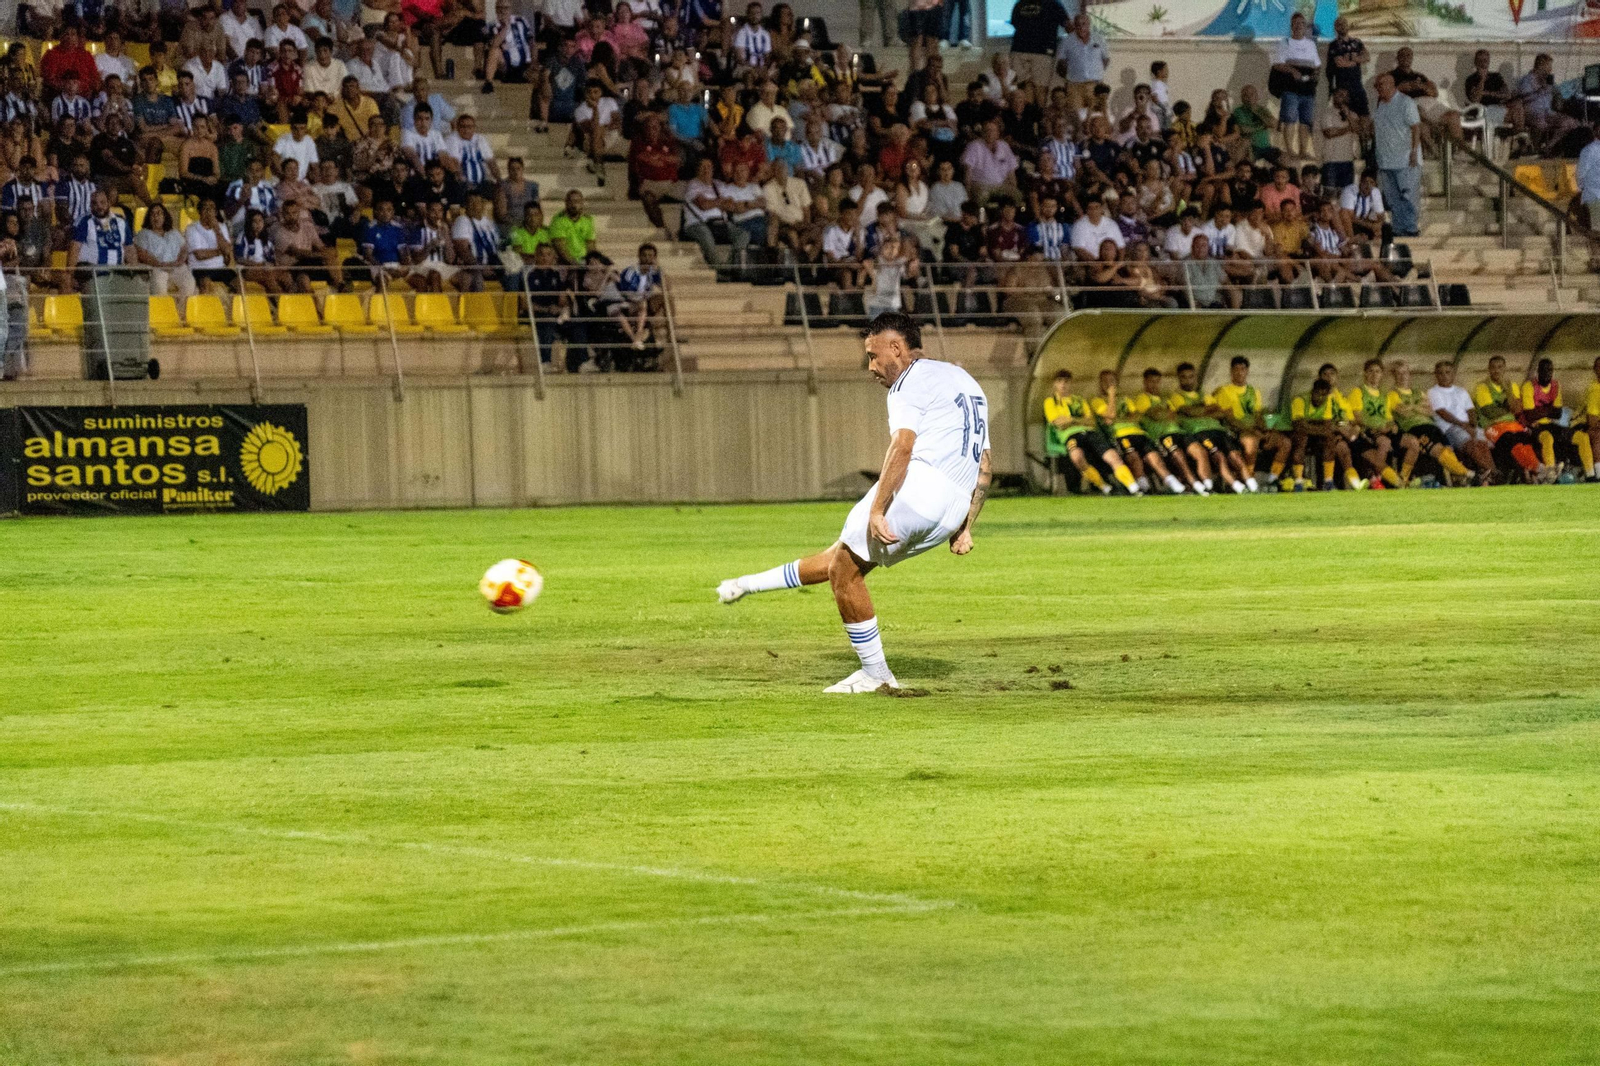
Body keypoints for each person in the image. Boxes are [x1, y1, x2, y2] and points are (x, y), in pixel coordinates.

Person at [715, 313, 994, 693]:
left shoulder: (908, 383)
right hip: (951, 509)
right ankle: (744, 584)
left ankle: (876, 675)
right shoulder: (965, 381)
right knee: (841, 558)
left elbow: (903, 446)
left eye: (873, 355)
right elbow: (985, 466)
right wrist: (965, 528)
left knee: (844, 571)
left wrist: (878, 507)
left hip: (919, 492)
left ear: (896, 347)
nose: (871, 367)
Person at [1040, 368, 1141, 496]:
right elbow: (1058, 423)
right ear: (1054, 384)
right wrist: (1081, 420)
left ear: (1071, 383)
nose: (1063, 384)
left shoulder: (1079, 400)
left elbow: (1091, 422)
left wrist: (1072, 420)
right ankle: (1103, 486)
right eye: (1060, 381)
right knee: (1077, 457)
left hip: (1090, 433)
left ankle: (1134, 487)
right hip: (1071, 435)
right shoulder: (1050, 401)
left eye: (1066, 381)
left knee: (1112, 456)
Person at [1092, 369, 1187, 494]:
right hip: (1120, 435)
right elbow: (1111, 414)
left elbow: (1137, 416)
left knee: (1155, 458)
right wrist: (1111, 396)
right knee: (1134, 458)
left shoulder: (1126, 399)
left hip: (1139, 432)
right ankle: (1144, 487)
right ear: (1100, 383)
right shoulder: (1097, 401)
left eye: (1112, 381)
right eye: (1105, 381)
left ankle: (1175, 485)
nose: (1109, 384)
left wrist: (1119, 418)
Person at [1386, 360, 1476, 486]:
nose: (1402, 377)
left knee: (1447, 449)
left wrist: (1412, 406)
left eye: (1404, 373)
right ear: (1394, 376)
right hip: (1415, 428)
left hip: (1432, 426)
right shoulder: (1392, 394)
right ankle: (1465, 473)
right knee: (1437, 450)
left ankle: (1457, 478)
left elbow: (1429, 411)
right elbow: (1404, 412)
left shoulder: (1418, 392)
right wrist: (1418, 406)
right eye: (1398, 374)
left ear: (1409, 374)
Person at [1171, 361, 1256, 493]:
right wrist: (1207, 411)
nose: (1188, 380)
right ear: (1179, 378)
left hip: (1219, 430)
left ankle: (1253, 486)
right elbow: (1190, 412)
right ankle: (1237, 487)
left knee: (1235, 456)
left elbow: (1221, 412)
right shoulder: (1176, 397)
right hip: (1199, 433)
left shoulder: (1204, 395)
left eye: (1191, 376)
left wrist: (1199, 412)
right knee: (1219, 456)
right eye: (1184, 377)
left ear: (1195, 377)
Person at [1211, 355, 1291, 487]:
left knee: (1285, 442)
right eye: (1236, 369)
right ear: (1231, 371)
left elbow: (1258, 414)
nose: (1240, 372)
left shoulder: (1254, 391)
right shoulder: (1224, 391)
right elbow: (1229, 418)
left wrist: (1266, 430)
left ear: (1247, 371)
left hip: (1254, 430)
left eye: (1243, 369)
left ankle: (1272, 479)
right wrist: (1253, 431)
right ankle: (1248, 477)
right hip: (1235, 431)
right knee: (1251, 443)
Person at [1472, 355, 1542, 481]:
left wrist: (1508, 390)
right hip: (1491, 427)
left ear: (1504, 369)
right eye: (1493, 367)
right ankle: (1538, 469)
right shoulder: (1482, 387)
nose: (1496, 371)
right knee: (1509, 440)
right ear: (1488, 369)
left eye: (1499, 367)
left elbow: (1516, 409)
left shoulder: (1511, 386)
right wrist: (1507, 408)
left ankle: (1536, 470)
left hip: (1512, 425)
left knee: (1527, 439)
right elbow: (1489, 412)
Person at [1521, 357, 1592, 476]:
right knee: (1548, 438)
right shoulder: (1529, 386)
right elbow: (1530, 415)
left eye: (1550, 370)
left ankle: (1591, 475)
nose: (1547, 373)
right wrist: (1549, 410)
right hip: (1535, 427)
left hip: (1552, 424)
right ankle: (1550, 474)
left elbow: (1558, 413)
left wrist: (1540, 411)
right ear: (1538, 371)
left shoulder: (1555, 385)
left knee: (1582, 437)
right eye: (1544, 370)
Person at [1290, 377, 1364, 491]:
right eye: (1318, 394)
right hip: (1297, 433)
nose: (1320, 398)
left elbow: (1327, 425)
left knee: (1330, 439)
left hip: (1315, 433)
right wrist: (1321, 430)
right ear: (1312, 392)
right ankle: (1298, 482)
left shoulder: (1327, 402)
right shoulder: (1300, 400)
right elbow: (1299, 426)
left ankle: (1328, 482)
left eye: (1324, 395)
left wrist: (1320, 429)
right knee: (1302, 439)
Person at [1372, 73, 1421, 240]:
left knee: (1408, 196)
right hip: (1386, 160)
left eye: (1380, 85)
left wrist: (1414, 151)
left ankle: (1411, 228)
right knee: (1393, 199)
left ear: (1390, 84)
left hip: (1405, 159)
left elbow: (1415, 127)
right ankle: (1399, 228)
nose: (1378, 89)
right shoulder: (1381, 105)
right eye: (1377, 86)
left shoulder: (1405, 102)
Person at [1428, 360, 1495, 477]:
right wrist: (1465, 426)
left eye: (1447, 372)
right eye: (1440, 373)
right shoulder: (1433, 392)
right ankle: (1492, 472)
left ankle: (1490, 472)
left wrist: (1473, 426)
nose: (1444, 376)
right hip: (1450, 428)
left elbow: (1471, 411)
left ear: (1453, 374)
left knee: (1483, 443)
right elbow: (1443, 413)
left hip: (1467, 426)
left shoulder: (1461, 391)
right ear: (1436, 375)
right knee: (1471, 444)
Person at [1269, 12, 1319, 160]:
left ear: (1305, 27)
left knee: (1306, 120)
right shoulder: (1284, 43)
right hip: (1290, 88)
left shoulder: (1310, 44)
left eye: (1301, 23)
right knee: (1290, 117)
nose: (1298, 26)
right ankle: (1290, 149)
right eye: (1295, 23)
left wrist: (1315, 76)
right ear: (1291, 26)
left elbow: (1317, 65)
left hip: (1307, 88)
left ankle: (1303, 150)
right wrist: (1292, 71)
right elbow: (1277, 64)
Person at [134, 202, 197, 307]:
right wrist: (159, 264)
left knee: (189, 282)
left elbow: (184, 249)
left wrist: (179, 262)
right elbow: (142, 253)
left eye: (159, 213)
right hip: (156, 266)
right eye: (153, 214)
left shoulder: (174, 233)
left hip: (176, 266)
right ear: (149, 218)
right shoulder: (143, 234)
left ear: (164, 216)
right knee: (159, 284)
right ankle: (164, 312)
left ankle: (180, 313)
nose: (156, 217)